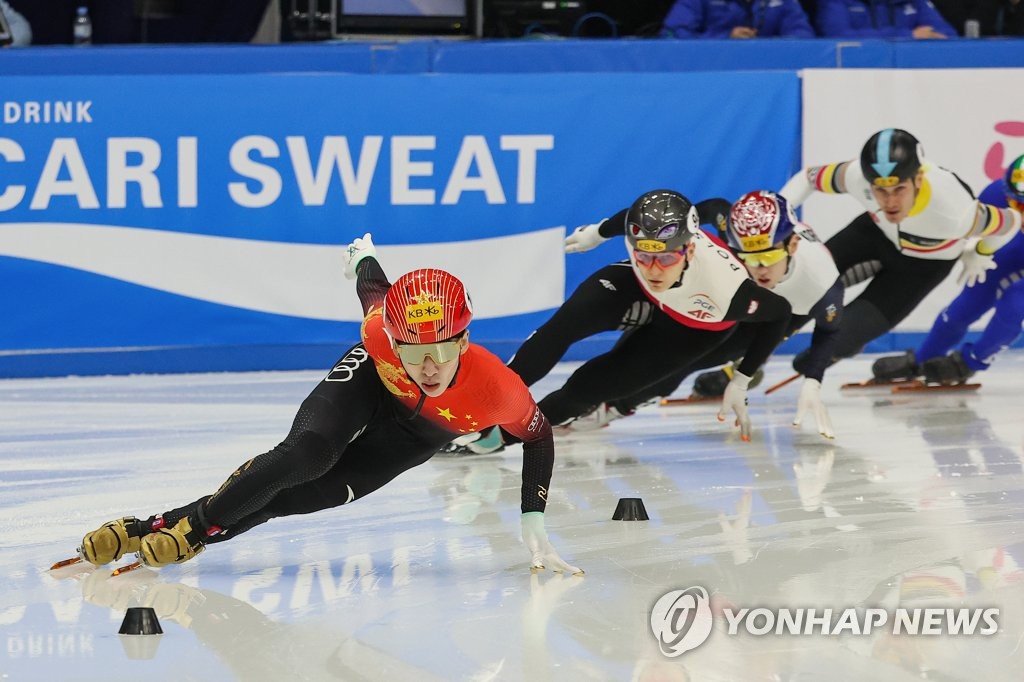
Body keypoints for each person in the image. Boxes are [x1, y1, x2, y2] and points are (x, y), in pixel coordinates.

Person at [72, 234, 580, 575]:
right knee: (305, 456)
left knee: (305, 495)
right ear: (393, 340)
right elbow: (373, 286)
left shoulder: (500, 389)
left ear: (465, 341)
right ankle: (191, 531)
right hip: (369, 383)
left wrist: (532, 518)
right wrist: (361, 256)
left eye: (443, 350)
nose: (428, 367)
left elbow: (540, 436)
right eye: (414, 352)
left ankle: (157, 526)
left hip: (415, 435)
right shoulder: (379, 332)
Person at [460, 189, 792, 452]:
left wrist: (741, 378)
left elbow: (780, 314)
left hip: (689, 331)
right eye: (643, 255)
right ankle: (481, 409)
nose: (654, 268)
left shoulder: (729, 291)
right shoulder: (649, 250)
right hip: (637, 293)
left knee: (587, 387)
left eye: (666, 257)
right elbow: (645, 217)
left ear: (689, 251)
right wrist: (597, 233)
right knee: (562, 326)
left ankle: (498, 439)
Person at [589, 190, 843, 439]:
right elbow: (714, 207)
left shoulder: (821, 282)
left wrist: (813, 381)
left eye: (769, 255)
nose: (760, 267)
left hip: (781, 312)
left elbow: (828, 332)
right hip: (739, 294)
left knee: (687, 360)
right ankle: (593, 393)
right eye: (749, 257)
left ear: (793, 245)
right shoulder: (736, 230)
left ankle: (614, 409)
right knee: (659, 328)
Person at [780, 128, 1022, 376]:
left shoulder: (954, 211)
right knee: (797, 291)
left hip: (921, 268)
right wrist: (776, 225)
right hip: (875, 236)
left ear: (918, 179)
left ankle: (966, 361)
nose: (891, 201)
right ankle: (744, 352)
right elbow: (808, 178)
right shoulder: (857, 176)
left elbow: (1010, 222)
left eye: (899, 189)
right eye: (880, 190)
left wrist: (982, 252)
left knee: (819, 352)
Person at [872, 154, 1024, 385]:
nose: (1020, 212)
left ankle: (970, 361)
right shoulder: (995, 194)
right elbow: (970, 231)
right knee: (968, 303)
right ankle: (926, 357)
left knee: (1015, 304)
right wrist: (975, 250)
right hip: (1015, 248)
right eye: (1016, 204)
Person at [661, 0, 816, 38]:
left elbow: (802, 34)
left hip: (767, 76)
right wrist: (724, 38)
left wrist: (771, 46)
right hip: (711, 73)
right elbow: (671, 34)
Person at [814, 0, 957, 38]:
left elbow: (946, 34)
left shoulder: (913, 1)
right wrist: (908, 36)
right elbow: (836, 37)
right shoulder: (835, 2)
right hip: (855, 76)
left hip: (909, 75)